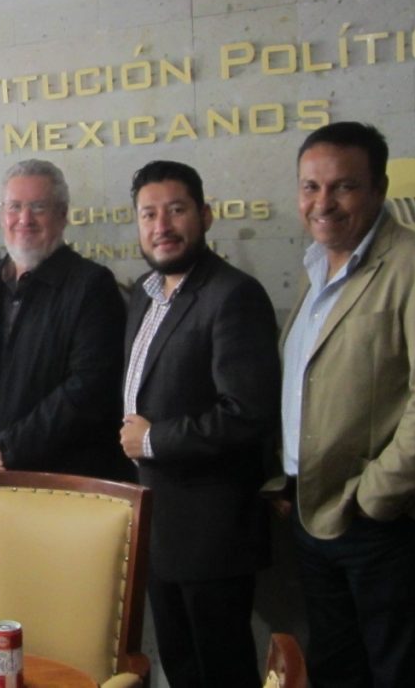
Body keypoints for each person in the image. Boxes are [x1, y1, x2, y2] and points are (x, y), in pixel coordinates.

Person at [278, 122, 415, 686]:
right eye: (310, 187)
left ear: (379, 189)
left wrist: (376, 497)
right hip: (312, 514)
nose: (323, 203)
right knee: (337, 669)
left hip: (381, 522)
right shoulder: (317, 266)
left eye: (343, 186)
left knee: (398, 671)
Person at [120, 161, 280, 688]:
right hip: (160, 526)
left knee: (222, 673)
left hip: (212, 532)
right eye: (149, 214)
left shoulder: (233, 294)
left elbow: (247, 413)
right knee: (181, 669)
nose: (161, 226)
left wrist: (152, 439)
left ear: (205, 216)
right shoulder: (145, 293)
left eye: (176, 210)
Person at [0, 159, 130, 479]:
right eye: (14, 207)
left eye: (38, 207)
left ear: (62, 215)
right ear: (1, 215)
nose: (24, 219)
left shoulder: (92, 286)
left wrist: (4, 453)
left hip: (61, 483)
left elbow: (88, 388)